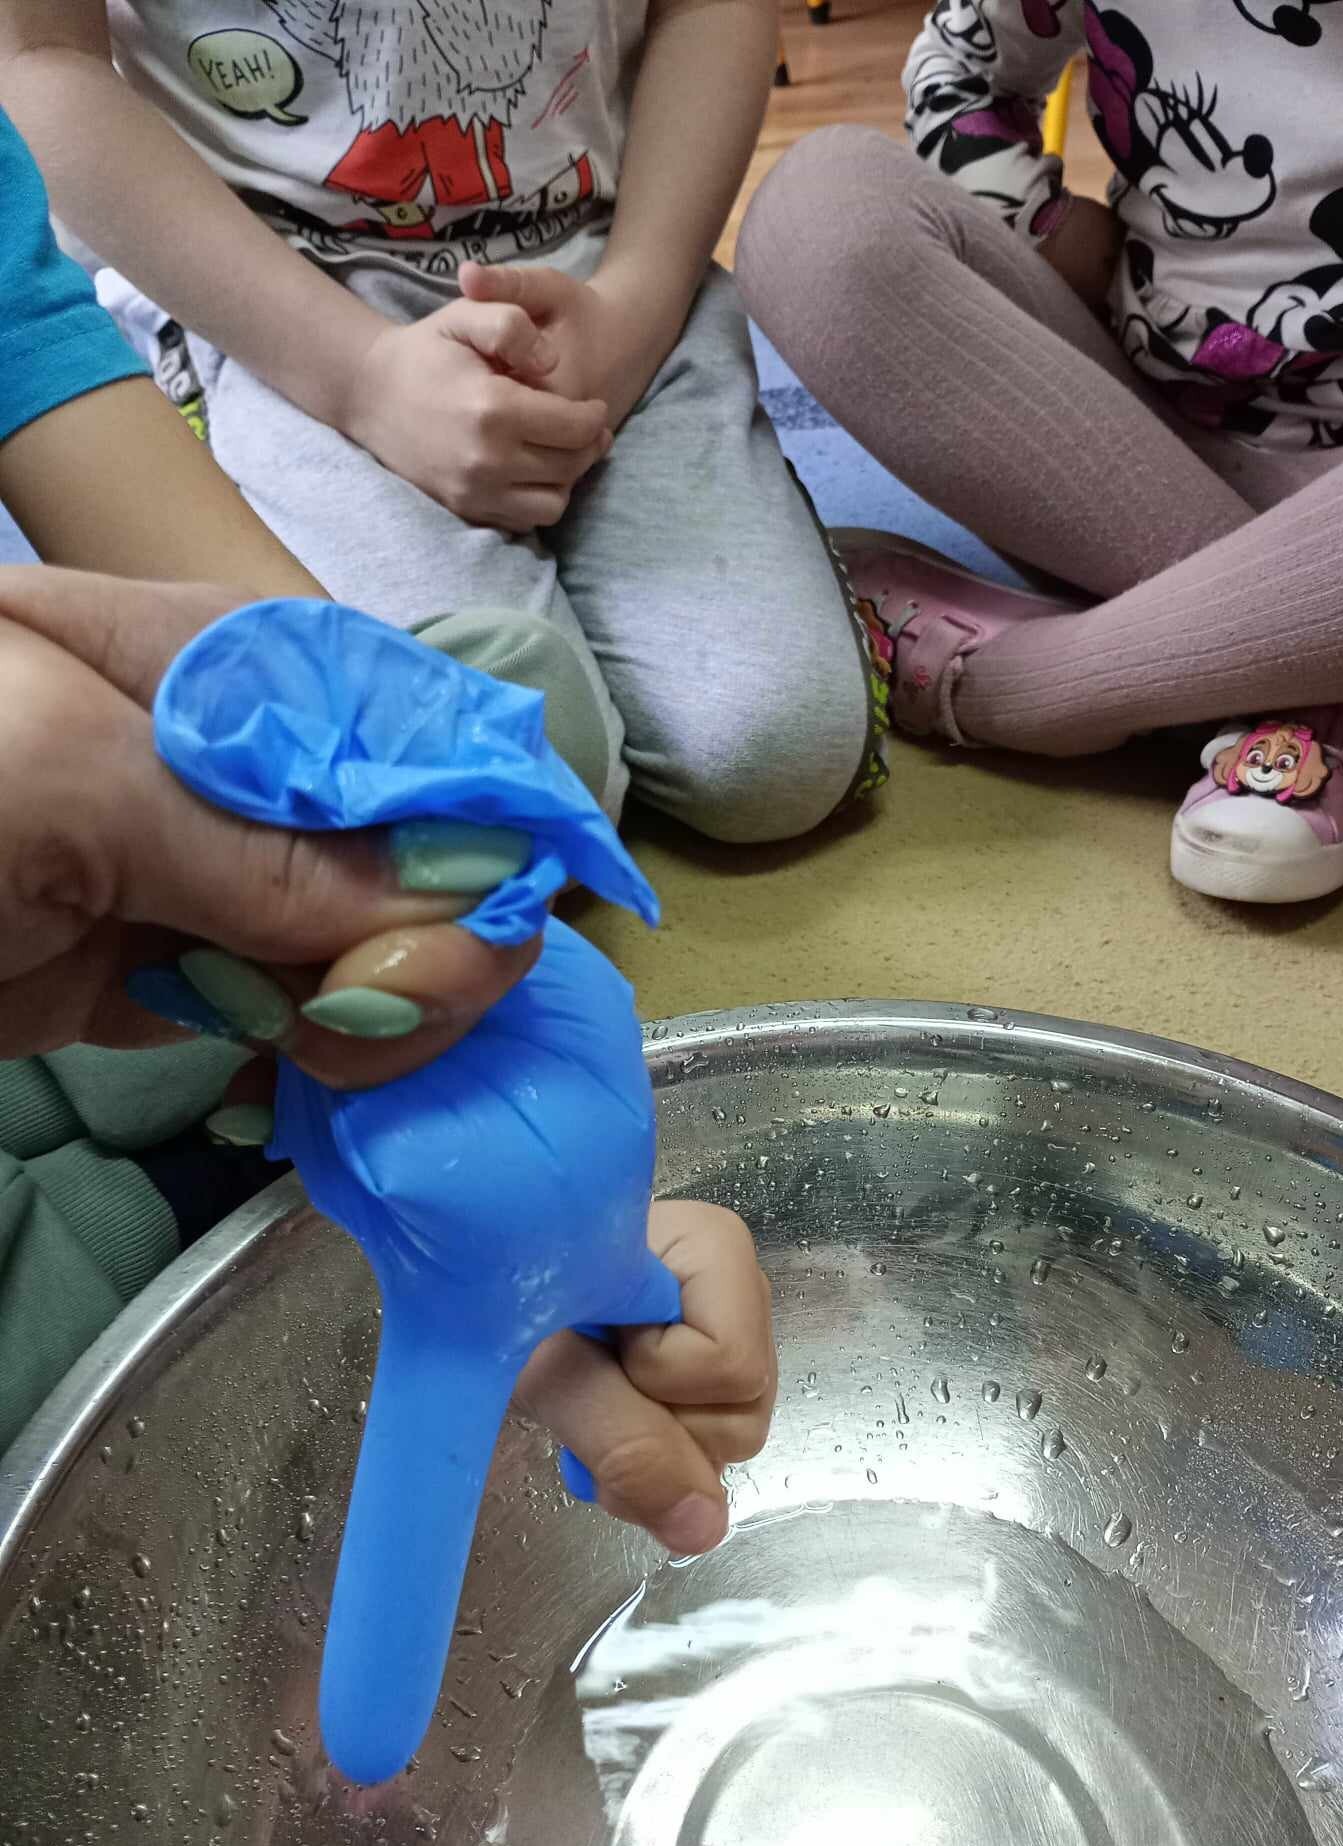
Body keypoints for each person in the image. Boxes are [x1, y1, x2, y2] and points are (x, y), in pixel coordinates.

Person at [0, 114, 776, 1548]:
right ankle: (176, 1190)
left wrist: (507, 1133)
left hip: (73, 944)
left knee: (509, 711)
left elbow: (306, 709)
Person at [0, 0, 887, 847]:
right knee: (498, 783)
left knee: (776, 753)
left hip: (602, 268)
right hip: (267, 297)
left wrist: (637, 306)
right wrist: (361, 379)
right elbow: (42, 59)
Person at [734, 0, 1343, 911]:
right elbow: (958, 65)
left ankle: (1027, 688)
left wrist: (1029, 690)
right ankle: (1333, 677)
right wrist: (1058, 234)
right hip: (1152, 459)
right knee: (817, 210)